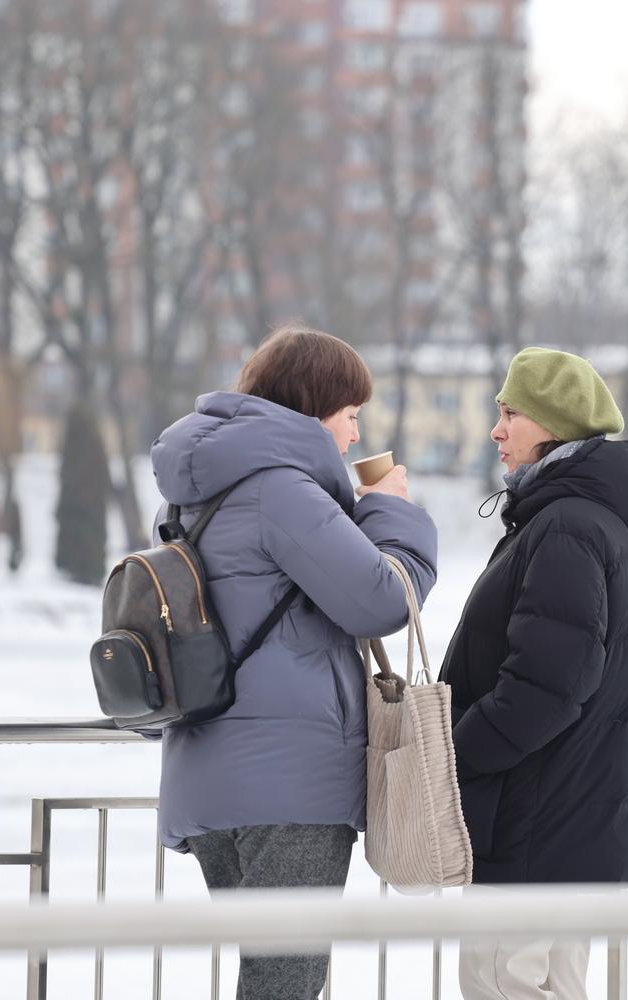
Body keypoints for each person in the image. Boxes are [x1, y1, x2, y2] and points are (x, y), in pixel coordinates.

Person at [149, 325, 437, 1000]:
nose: (355, 437)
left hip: (207, 774)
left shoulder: (191, 490)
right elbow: (380, 600)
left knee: (272, 975)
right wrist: (393, 514)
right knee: (285, 985)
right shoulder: (281, 489)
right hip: (288, 783)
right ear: (315, 408)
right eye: (350, 416)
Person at [439, 347, 628, 1000]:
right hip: (565, 818)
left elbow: (548, 687)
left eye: (512, 413)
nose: (496, 430)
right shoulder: (573, 518)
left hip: (541, 821)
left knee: (501, 985)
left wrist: (450, 756)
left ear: (555, 425)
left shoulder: (565, 525)